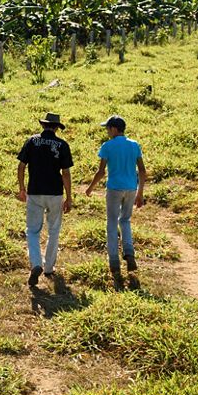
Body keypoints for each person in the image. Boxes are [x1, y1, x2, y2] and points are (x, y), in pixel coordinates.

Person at [84, 115, 147, 288]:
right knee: (125, 220)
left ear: (113, 129)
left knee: (111, 223)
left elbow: (101, 172)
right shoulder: (134, 145)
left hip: (114, 189)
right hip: (131, 188)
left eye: (107, 129)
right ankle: (129, 252)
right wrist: (140, 192)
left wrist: (90, 188)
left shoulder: (107, 146)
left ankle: (114, 262)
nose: (106, 132)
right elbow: (142, 170)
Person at [16, 112, 73, 287]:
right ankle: (48, 267)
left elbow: (21, 166)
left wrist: (22, 188)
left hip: (35, 191)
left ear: (43, 125)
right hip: (55, 192)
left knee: (33, 230)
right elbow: (65, 173)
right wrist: (69, 197)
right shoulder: (62, 144)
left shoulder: (32, 141)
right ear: (57, 127)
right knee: (54, 230)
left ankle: (36, 264)